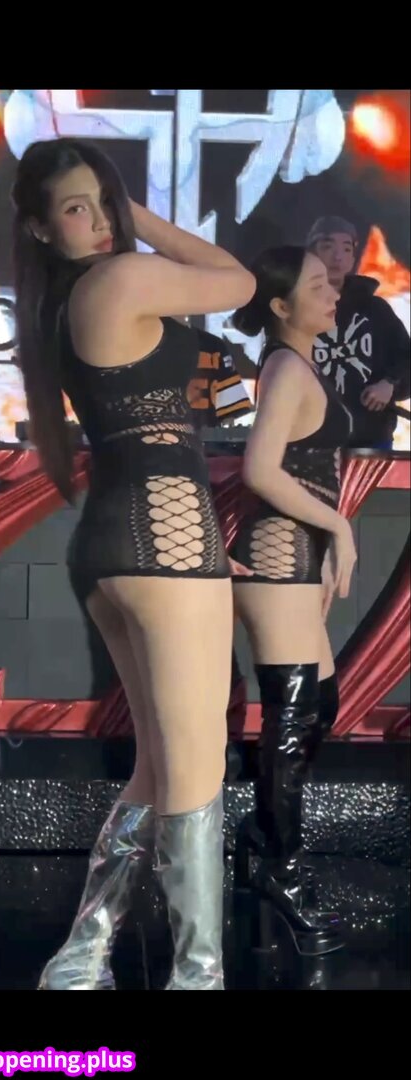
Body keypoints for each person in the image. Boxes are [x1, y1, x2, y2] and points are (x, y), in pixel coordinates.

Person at [11, 137, 255, 990]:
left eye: (103, 201)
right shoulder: (121, 279)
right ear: (40, 227)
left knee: (159, 764)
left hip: (116, 545)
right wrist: (137, 216)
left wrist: (112, 213)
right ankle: (198, 976)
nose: (100, 220)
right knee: (196, 763)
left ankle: (81, 959)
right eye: (76, 207)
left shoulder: (62, 302)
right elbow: (237, 281)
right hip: (164, 539)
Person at [229, 246, 356, 955]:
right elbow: (259, 468)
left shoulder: (297, 365)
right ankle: (282, 871)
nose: (332, 291)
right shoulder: (283, 367)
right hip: (280, 554)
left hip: (298, 557)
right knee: (293, 715)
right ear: (281, 306)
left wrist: (331, 537)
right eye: (317, 284)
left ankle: (261, 836)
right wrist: (340, 527)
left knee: (318, 707)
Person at [307, 216, 410, 450]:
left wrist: (390, 384)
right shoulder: (294, 307)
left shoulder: (375, 309)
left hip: (371, 440)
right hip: (310, 440)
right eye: (328, 246)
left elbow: (407, 358)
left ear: (353, 257)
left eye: (346, 248)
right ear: (311, 253)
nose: (338, 256)